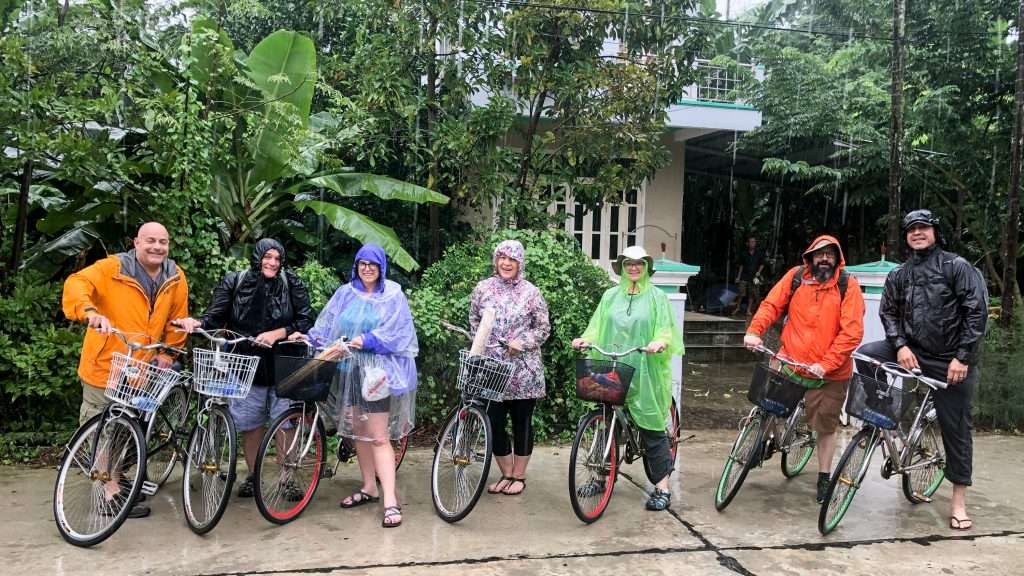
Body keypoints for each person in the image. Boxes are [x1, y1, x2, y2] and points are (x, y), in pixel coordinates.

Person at [856, 209, 987, 531]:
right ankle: (885, 417)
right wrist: (900, 345)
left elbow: (976, 312)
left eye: (923, 228)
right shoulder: (900, 273)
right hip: (911, 349)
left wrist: (963, 357)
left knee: (956, 430)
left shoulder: (956, 266)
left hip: (951, 359)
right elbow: (888, 313)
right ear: (906, 236)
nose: (917, 233)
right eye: (911, 229)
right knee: (866, 356)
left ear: (935, 232)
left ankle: (958, 502)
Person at [62, 221, 190, 519]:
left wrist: (167, 354)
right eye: (150, 241)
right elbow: (77, 284)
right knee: (102, 430)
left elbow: (177, 318)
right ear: (136, 243)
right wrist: (90, 312)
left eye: (163, 242)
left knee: (125, 432)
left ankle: (116, 482)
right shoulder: (112, 268)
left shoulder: (174, 276)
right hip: (106, 366)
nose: (157, 247)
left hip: (141, 370)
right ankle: (108, 493)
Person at [174, 238, 314, 498]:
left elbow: (305, 318)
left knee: (285, 423)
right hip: (245, 363)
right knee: (252, 423)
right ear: (257, 257)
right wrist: (198, 322)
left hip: (283, 361)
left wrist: (278, 333)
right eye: (267, 257)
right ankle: (253, 474)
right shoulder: (235, 281)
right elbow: (215, 316)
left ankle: (287, 478)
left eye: (277, 258)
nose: (272, 263)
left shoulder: (290, 283)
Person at [300, 243, 418, 528]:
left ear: (381, 268)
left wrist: (368, 340)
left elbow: (399, 330)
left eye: (373, 264)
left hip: (377, 373)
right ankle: (369, 487)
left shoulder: (392, 294)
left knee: (378, 435)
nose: (367, 268)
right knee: (359, 430)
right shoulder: (345, 293)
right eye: (362, 263)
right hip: (351, 370)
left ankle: (390, 500)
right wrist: (310, 338)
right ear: (356, 265)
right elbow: (328, 325)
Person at [743, 235, 865, 504]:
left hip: (829, 371)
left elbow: (852, 332)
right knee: (768, 402)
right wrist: (754, 331)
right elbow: (771, 305)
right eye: (819, 254)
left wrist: (827, 363)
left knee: (825, 426)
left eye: (830, 255)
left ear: (837, 259)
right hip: (791, 359)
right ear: (810, 257)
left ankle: (824, 477)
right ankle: (770, 442)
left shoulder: (848, 286)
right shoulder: (796, 277)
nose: (824, 259)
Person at [572, 245, 684, 511]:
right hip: (615, 364)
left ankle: (662, 487)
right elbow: (597, 325)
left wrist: (659, 342)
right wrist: (585, 339)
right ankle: (601, 477)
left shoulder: (657, 297)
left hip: (646, 368)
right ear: (622, 267)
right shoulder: (611, 295)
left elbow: (666, 329)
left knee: (651, 427)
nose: (633, 268)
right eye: (628, 263)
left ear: (646, 267)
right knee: (604, 421)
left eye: (639, 263)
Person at [469, 240, 551, 497]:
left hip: (523, 370)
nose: (506, 263)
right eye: (502, 258)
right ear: (495, 261)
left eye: (511, 259)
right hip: (491, 368)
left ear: (519, 263)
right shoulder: (483, 288)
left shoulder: (531, 293)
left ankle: (519, 475)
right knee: (493, 420)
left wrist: (523, 342)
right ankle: (505, 472)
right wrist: (483, 343)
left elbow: (543, 328)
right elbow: (474, 318)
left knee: (521, 422)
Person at [733, 236, 766, 316]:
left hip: (754, 277)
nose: (752, 243)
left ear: (755, 243)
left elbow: (762, 264)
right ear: (747, 244)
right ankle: (737, 307)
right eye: (751, 242)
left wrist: (759, 272)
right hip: (744, 276)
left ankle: (748, 310)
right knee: (741, 293)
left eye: (754, 242)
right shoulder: (744, 254)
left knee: (752, 294)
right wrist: (738, 277)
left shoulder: (759, 254)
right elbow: (741, 266)